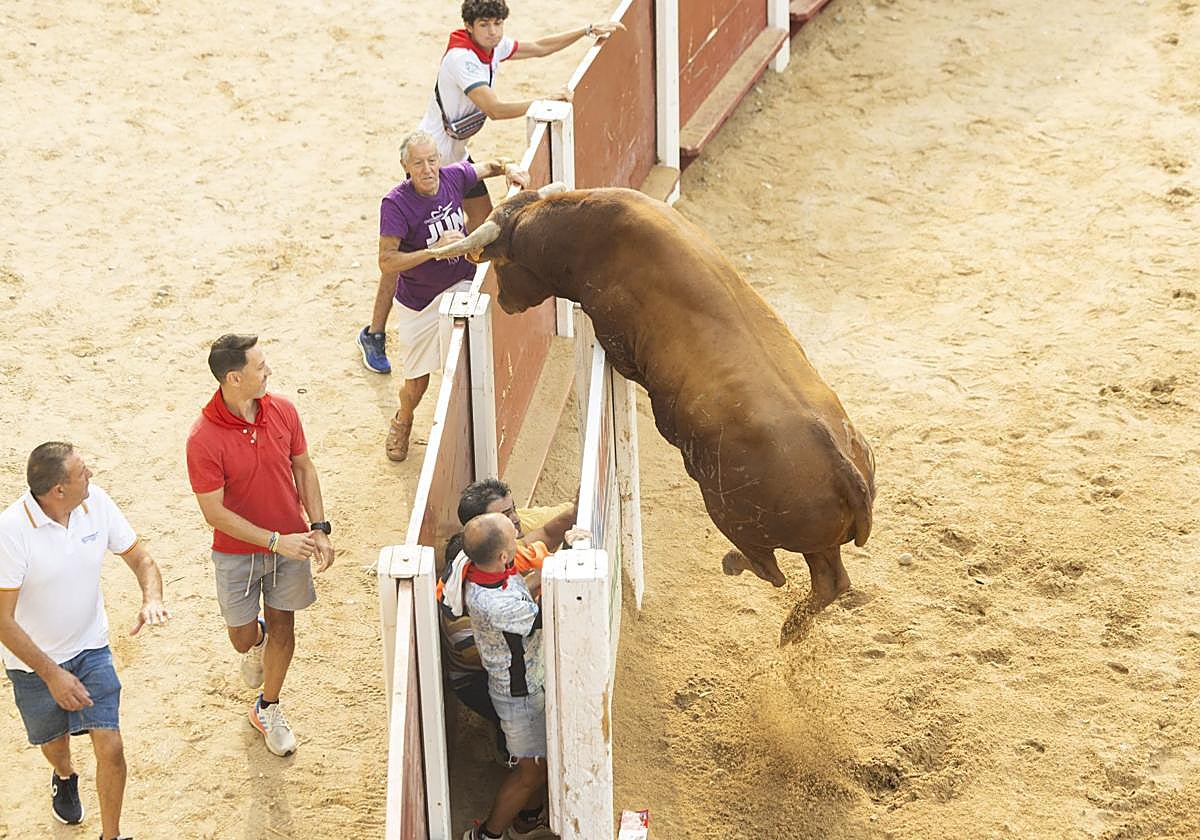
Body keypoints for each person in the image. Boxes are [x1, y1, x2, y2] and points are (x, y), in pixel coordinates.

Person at [355, 0, 623, 374]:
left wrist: (587, 30)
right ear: (469, 26)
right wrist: (542, 100)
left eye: (497, 24)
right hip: (432, 163)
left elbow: (538, 47)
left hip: (457, 158)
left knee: (485, 230)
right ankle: (375, 332)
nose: (494, 31)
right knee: (406, 248)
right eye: (485, 25)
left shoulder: (491, 46)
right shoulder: (462, 60)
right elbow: (494, 109)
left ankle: (472, 304)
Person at [0, 442, 169, 840]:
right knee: (54, 743)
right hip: (33, 663)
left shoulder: (98, 504)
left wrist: (152, 597)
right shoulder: (10, 533)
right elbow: (2, 621)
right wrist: (52, 674)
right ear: (58, 490)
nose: (91, 475)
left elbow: (141, 559)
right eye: (83, 472)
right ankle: (64, 774)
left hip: (91, 646)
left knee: (110, 746)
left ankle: (110, 836)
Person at [185, 334, 335, 757]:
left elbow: (303, 466)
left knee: (285, 628)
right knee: (241, 636)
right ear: (234, 378)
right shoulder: (202, 438)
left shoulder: (283, 409)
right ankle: (256, 643)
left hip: (292, 543)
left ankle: (267, 706)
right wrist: (275, 541)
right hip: (239, 554)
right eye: (259, 366)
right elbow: (214, 514)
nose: (268, 370)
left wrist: (319, 527)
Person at [370, 130, 530, 461]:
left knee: (466, 364)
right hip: (420, 301)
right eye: (419, 163)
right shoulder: (395, 204)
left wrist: (511, 167)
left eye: (432, 160)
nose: (428, 169)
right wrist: (434, 251)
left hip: (462, 284)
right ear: (405, 166)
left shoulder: (453, 175)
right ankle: (404, 419)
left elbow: (491, 165)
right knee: (417, 384)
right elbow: (387, 261)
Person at [459, 511, 587, 840]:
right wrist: (570, 554)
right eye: (512, 541)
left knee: (537, 766)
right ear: (502, 556)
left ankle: (527, 818)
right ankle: (488, 835)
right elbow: (549, 612)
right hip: (521, 695)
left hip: (525, 682)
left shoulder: (479, 567)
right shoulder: (496, 602)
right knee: (531, 773)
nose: (519, 541)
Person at [438, 479, 575, 756]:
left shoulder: (485, 557)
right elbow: (523, 630)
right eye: (505, 516)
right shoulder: (480, 600)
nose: (515, 521)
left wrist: (576, 511)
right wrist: (560, 563)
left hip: (519, 675)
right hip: (490, 682)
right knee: (529, 763)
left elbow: (548, 530)